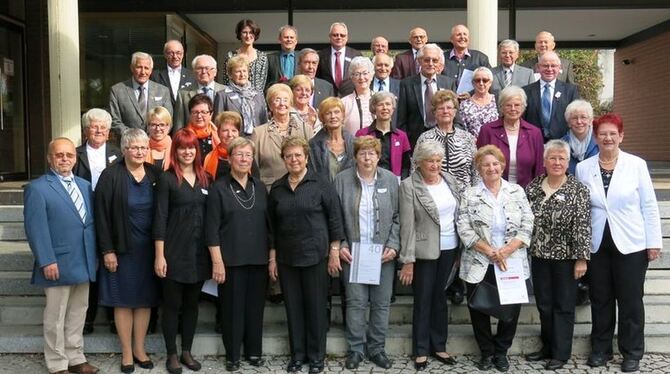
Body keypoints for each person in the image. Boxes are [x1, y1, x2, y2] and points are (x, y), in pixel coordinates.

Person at [576, 113, 663, 373]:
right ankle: (600, 349)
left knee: (630, 300)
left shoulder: (636, 165)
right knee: (600, 298)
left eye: (613, 133)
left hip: (632, 242)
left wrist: (653, 241)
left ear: (621, 136)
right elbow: (582, 209)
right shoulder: (584, 168)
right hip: (598, 243)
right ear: (595, 137)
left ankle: (632, 351)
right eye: (602, 133)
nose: (608, 137)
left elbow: (649, 204)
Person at [268, 136, 345, 373]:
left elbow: (335, 220)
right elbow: (271, 227)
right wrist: (272, 258)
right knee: (293, 308)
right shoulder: (277, 189)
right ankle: (297, 355)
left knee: (315, 307)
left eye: (298, 155)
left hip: (315, 256)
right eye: (289, 156)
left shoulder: (321, 184)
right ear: (284, 159)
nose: (294, 159)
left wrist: (334, 252)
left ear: (306, 157)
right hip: (287, 258)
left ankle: (317, 357)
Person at [25, 137, 99, 374]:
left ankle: (75, 357)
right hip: (57, 262)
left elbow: (88, 224)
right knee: (56, 315)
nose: (65, 159)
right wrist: (46, 259)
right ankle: (57, 363)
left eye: (69, 155)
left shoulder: (85, 185)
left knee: (79, 312)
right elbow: (35, 228)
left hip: (84, 260)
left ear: (75, 158)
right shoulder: (37, 188)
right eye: (59, 155)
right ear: (50, 158)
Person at [457, 144, 534, 372]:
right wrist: (490, 251)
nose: (491, 168)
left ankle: (501, 352)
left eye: (495, 163)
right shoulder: (470, 194)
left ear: (502, 165)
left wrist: (508, 250)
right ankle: (486, 353)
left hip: (511, 259)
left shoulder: (517, 191)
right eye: (485, 164)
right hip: (480, 259)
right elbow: (464, 227)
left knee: (510, 309)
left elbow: (528, 223)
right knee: (479, 308)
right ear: (479, 169)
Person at [95, 129, 161, 373]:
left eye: (144, 147)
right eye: (134, 147)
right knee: (123, 301)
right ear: (124, 150)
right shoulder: (110, 175)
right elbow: (101, 216)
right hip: (121, 249)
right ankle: (125, 352)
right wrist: (107, 250)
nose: (140, 151)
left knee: (144, 301)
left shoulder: (155, 173)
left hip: (149, 250)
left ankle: (139, 349)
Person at [331, 136, 399, 370]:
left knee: (381, 303)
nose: (367, 158)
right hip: (354, 253)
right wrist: (341, 244)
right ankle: (356, 350)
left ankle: (377, 349)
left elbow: (399, 216)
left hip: (383, 254)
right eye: (363, 153)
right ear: (355, 157)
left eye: (372, 153)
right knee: (356, 302)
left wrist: (393, 244)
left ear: (379, 157)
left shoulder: (390, 180)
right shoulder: (342, 180)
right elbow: (335, 215)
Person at [524, 139, 591, 370]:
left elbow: (583, 225)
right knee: (544, 303)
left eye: (562, 158)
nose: (557, 162)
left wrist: (582, 258)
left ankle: (561, 354)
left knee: (563, 305)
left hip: (567, 258)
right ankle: (547, 347)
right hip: (540, 256)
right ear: (544, 161)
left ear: (568, 162)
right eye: (552, 157)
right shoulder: (533, 187)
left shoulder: (577, 189)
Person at [206, 137, 271, 372]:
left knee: (255, 309)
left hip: (258, 258)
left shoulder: (260, 187)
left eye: (248, 155)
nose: (244, 159)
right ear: (229, 158)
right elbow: (211, 229)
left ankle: (254, 351)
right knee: (232, 310)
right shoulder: (218, 188)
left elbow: (269, 226)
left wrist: (271, 257)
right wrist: (217, 261)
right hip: (230, 260)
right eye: (239, 154)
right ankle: (233, 355)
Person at [398, 140, 461, 371]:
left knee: (440, 298)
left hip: (450, 247)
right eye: (430, 161)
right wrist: (408, 260)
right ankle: (421, 350)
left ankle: (439, 345)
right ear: (418, 162)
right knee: (423, 299)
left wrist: (461, 250)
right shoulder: (408, 186)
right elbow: (407, 225)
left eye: (438, 161)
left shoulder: (450, 180)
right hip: (424, 251)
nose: (435, 165)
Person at [153, 129, 212, 374]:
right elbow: (159, 218)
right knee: (172, 305)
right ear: (175, 151)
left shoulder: (206, 178)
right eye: (182, 147)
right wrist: (159, 255)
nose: (187, 152)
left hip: (199, 254)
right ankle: (172, 354)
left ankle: (187, 351)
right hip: (173, 253)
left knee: (192, 305)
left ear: (197, 151)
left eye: (191, 148)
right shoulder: (167, 179)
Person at [74, 109, 122, 335]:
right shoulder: (76, 154)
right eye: (94, 126)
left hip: (113, 218)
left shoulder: (118, 153)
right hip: (85, 217)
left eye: (103, 126)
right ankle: (87, 318)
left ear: (109, 131)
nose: (99, 130)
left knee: (112, 267)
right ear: (86, 130)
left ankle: (114, 318)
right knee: (90, 267)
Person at [477, 85, 544, 188]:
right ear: (501, 107)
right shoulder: (487, 131)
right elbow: (479, 164)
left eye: (517, 105)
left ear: (523, 107)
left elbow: (539, 169)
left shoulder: (534, 133)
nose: (513, 109)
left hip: (527, 192)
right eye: (508, 105)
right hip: (493, 190)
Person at [251, 83, 313, 190]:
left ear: (290, 104)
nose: (281, 104)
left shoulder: (305, 129)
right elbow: (253, 168)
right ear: (270, 105)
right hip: (270, 191)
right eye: (277, 100)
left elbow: (312, 162)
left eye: (285, 100)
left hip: (301, 189)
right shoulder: (258, 133)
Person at [397, 43, 457, 148]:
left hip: (444, 140)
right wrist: (406, 145)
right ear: (419, 61)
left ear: (439, 63)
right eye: (426, 60)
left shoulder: (448, 83)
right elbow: (402, 119)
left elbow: (456, 114)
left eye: (435, 60)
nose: (430, 63)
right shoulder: (407, 84)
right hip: (415, 142)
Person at [416, 90, 477, 189]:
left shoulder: (467, 138)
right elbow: (415, 169)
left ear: (455, 112)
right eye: (441, 108)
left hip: (465, 197)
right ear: (434, 112)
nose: (445, 111)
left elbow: (476, 171)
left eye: (449, 108)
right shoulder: (425, 138)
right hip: (434, 196)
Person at [109, 52, 173, 137]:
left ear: (151, 70)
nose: (143, 72)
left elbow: (168, 119)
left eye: (146, 68)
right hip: (128, 146)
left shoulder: (163, 91)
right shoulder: (117, 90)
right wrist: (134, 137)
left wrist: (155, 135)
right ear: (132, 68)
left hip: (155, 144)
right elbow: (114, 120)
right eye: (139, 67)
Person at [522, 51, 580, 141]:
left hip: (562, 144)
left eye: (553, 66)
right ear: (538, 67)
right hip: (533, 143)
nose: (549, 69)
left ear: (559, 68)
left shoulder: (570, 91)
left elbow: (575, 118)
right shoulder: (525, 91)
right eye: (545, 66)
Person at [355, 91, 411, 179]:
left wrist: (402, 182)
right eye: (380, 104)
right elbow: (356, 161)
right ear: (374, 108)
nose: (385, 108)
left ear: (393, 108)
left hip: (395, 182)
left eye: (388, 104)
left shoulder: (401, 136)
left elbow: (406, 165)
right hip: (368, 180)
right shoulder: (362, 134)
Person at [214, 55, 268, 137]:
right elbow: (218, 123)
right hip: (234, 140)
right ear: (230, 75)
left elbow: (264, 121)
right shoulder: (222, 95)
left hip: (257, 139)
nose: (242, 74)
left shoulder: (258, 94)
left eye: (244, 71)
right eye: (238, 71)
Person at [172, 54, 226, 132]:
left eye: (207, 68)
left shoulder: (225, 91)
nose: (204, 72)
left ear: (215, 72)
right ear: (193, 72)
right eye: (199, 68)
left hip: (219, 140)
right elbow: (179, 124)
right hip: (192, 140)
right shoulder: (183, 94)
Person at [309, 97, 355, 182]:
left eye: (337, 112)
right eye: (328, 113)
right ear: (322, 118)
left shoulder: (354, 143)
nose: (333, 116)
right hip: (324, 192)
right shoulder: (314, 145)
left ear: (343, 115)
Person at [204, 111, 260, 180]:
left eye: (234, 131)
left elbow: (255, 181)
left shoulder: (246, 156)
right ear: (218, 133)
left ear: (238, 133)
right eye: (225, 130)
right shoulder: (208, 158)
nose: (230, 134)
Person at [222, 19, 268, 93]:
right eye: (244, 32)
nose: (248, 36)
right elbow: (226, 81)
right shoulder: (231, 56)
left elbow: (262, 84)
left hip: (255, 100)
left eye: (251, 32)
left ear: (255, 35)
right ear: (239, 34)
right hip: (234, 99)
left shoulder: (262, 57)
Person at [317, 22, 362, 95]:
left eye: (342, 35)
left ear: (347, 37)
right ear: (330, 37)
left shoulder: (356, 55)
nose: (339, 37)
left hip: (350, 97)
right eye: (335, 35)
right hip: (328, 97)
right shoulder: (321, 55)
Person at [442, 24, 491, 89]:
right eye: (458, 34)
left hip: (473, 98)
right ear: (451, 39)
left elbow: (489, 80)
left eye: (465, 34)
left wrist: (471, 93)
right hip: (448, 97)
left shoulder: (480, 58)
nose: (462, 37)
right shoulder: (442, 58)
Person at [150, 40, 197, 105]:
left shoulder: (192, 75)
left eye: (178, 53)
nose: (175, 56)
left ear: (183, 54)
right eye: (171, 53)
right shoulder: (155, 75)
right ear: (165, 54)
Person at [459, 67, 499, 138]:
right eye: (477, 80)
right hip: (473, 146)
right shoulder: (464, 105)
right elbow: (462, 130)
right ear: (473, 83)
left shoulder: (498, 101)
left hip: (495, 145)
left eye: (485, 80)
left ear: (490, 83)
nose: (481, 83)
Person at [561, 99, 598, 174]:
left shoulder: (599, 142)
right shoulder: (561, 145)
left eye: (583, 117)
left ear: (590, 121)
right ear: (569, 123)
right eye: (574, 118)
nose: (579, 121)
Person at [341, 57, 375, 134]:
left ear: (371, 75)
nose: (361, 78)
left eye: (365, 73)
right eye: (357, 74)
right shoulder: (344, 103)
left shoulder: (380, 99)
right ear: (352, 78)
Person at [145, 106, 173, 170]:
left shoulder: (176, 148)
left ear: (168, 126)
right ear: (148, 126)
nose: (158, 129)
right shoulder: (141, 148)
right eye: (153, 125)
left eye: (162, 125)